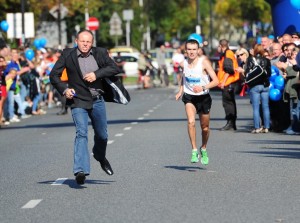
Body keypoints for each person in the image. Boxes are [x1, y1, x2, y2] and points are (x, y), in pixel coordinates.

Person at [50, 29, 122, 185]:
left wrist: (96, 74)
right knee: (81, 132)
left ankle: (99, 156)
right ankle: (80, 170)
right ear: (76, 41)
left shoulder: (100, 53)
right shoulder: (67, 55)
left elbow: (114, 68)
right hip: (78, 100)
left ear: (92, 43)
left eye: (88, 41)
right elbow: (53, 75)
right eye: (82, 41)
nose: (85, 44)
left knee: (102, 135)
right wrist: (64, 89)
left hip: (97, 99)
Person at [175, 38, 219, 165]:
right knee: (191, 122)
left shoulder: (204, 62)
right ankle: (194, 149)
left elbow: (216, 81)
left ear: (198, 50)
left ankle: (203, 147)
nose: (192, 52)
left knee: (205, 128)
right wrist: (180, 90)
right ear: (185, 50)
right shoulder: (183, 63)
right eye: (189, 49)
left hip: (203, 97)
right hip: (189, 97)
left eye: (194, 49)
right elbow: (183, 78)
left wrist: (203, 87)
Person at [245, 44, 271, 133]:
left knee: (256, 107)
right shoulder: (267, 60)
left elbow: (247, 73)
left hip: (255, 86)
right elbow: (269, 74)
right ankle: (266, 127)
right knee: (266, 107)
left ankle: (257, 127)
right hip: (265, 85)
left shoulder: (251, 60)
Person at [217, 39, 240, 131]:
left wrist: (223, 82)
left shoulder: (228, 53)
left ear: (220, 46)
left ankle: (230, 122)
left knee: (228, 103)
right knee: (230, 102)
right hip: (229, 82)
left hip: (229, 82)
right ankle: (232, 123)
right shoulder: (227, 53)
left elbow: (228, 69)